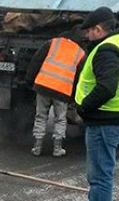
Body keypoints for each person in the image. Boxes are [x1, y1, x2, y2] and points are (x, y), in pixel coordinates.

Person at [67, 7, 119, 201]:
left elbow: (106, 88)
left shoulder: (107, 50)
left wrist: (83, 107)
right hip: (112, 117)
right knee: (98, 171)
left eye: (88, 31)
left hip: (106, 120)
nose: (87, 36)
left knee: (100, 174)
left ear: (98, 29)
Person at [26, 29, 86, 157]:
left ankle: (37, 147)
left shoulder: (52, 43)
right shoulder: (80, 53)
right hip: (62, 90)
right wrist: (73, 96)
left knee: (40, 116)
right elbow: (80, 77)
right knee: (60, 119)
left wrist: (30, 81)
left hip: (43, 86)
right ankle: (57, 149)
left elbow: (36, 61)